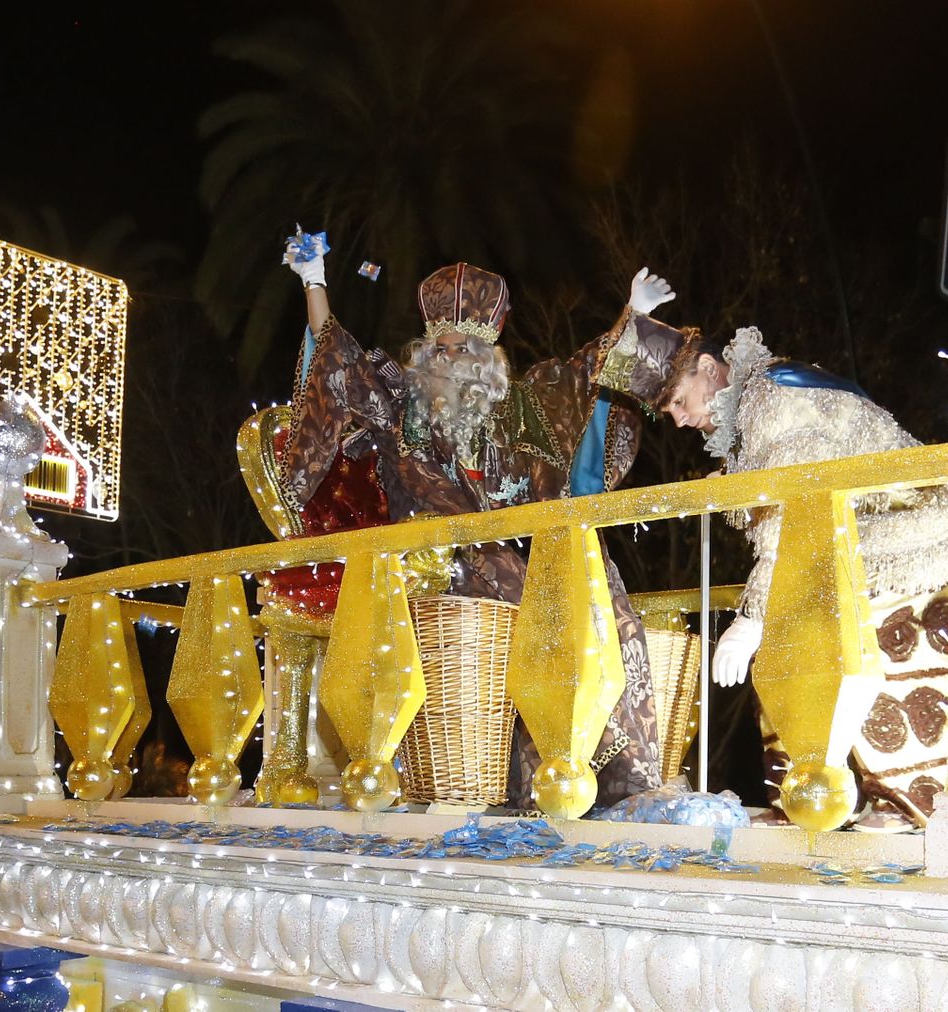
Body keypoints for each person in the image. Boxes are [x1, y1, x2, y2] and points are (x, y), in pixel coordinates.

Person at [279, 229, 691, 808]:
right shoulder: (400, 405)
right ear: (424, 355)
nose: (455, 361)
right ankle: (541, 766)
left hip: (508, 557)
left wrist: (634, 315)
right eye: (443, 349)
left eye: (469, 351)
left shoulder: (514, 414)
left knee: (597, 586)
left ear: (489, 363)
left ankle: (602, 767)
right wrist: (314, 281)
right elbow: (336, 358)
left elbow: (581, 379)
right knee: (531, 594)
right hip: (428, 564)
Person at [639, 324, 948, 829]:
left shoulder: (773, 398)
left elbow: (791, 516)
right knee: (794, 649)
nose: (679, 421)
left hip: (909, 536)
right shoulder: (751, 406)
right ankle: (806, 795)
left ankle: (906, 802)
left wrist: (754, 618)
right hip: (853, 543)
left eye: (680, 402)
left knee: (859, 652)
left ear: (706, 368)